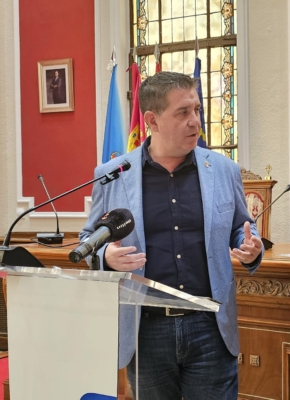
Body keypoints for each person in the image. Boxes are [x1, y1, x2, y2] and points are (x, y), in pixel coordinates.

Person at [79, 71, 264, 399]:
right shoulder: (113, 175)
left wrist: (249, 246)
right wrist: (105, 256)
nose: (195, 121)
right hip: (146, 330)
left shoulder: (224, 170)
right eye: (183, 112)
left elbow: (241, 227)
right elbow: (88, 240)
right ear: (152, 119)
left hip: (210, 325)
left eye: (196, 110)